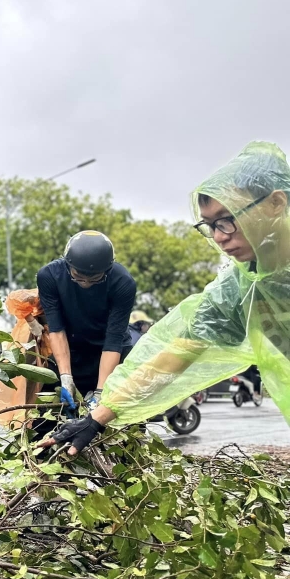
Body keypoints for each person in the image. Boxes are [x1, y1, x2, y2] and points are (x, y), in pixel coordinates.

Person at [42, 141, 290, 455]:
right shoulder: (240, 288)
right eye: (209, 226)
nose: (219, 236)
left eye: (227, 220)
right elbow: (173, 355)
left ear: (276, 203)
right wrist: (96, 420)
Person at [36, 230, 137, 415]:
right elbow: (56, 330)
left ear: (107, 270)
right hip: (70, 350)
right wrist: (66, 377)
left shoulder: (123, 283)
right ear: (67, 266)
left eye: (94, 279)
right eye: (78, 277)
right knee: (46, 419)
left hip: (111, 352)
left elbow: (113, 340)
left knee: (122, 419)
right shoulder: (49, 276)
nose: (85, 283)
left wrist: (100, 392)